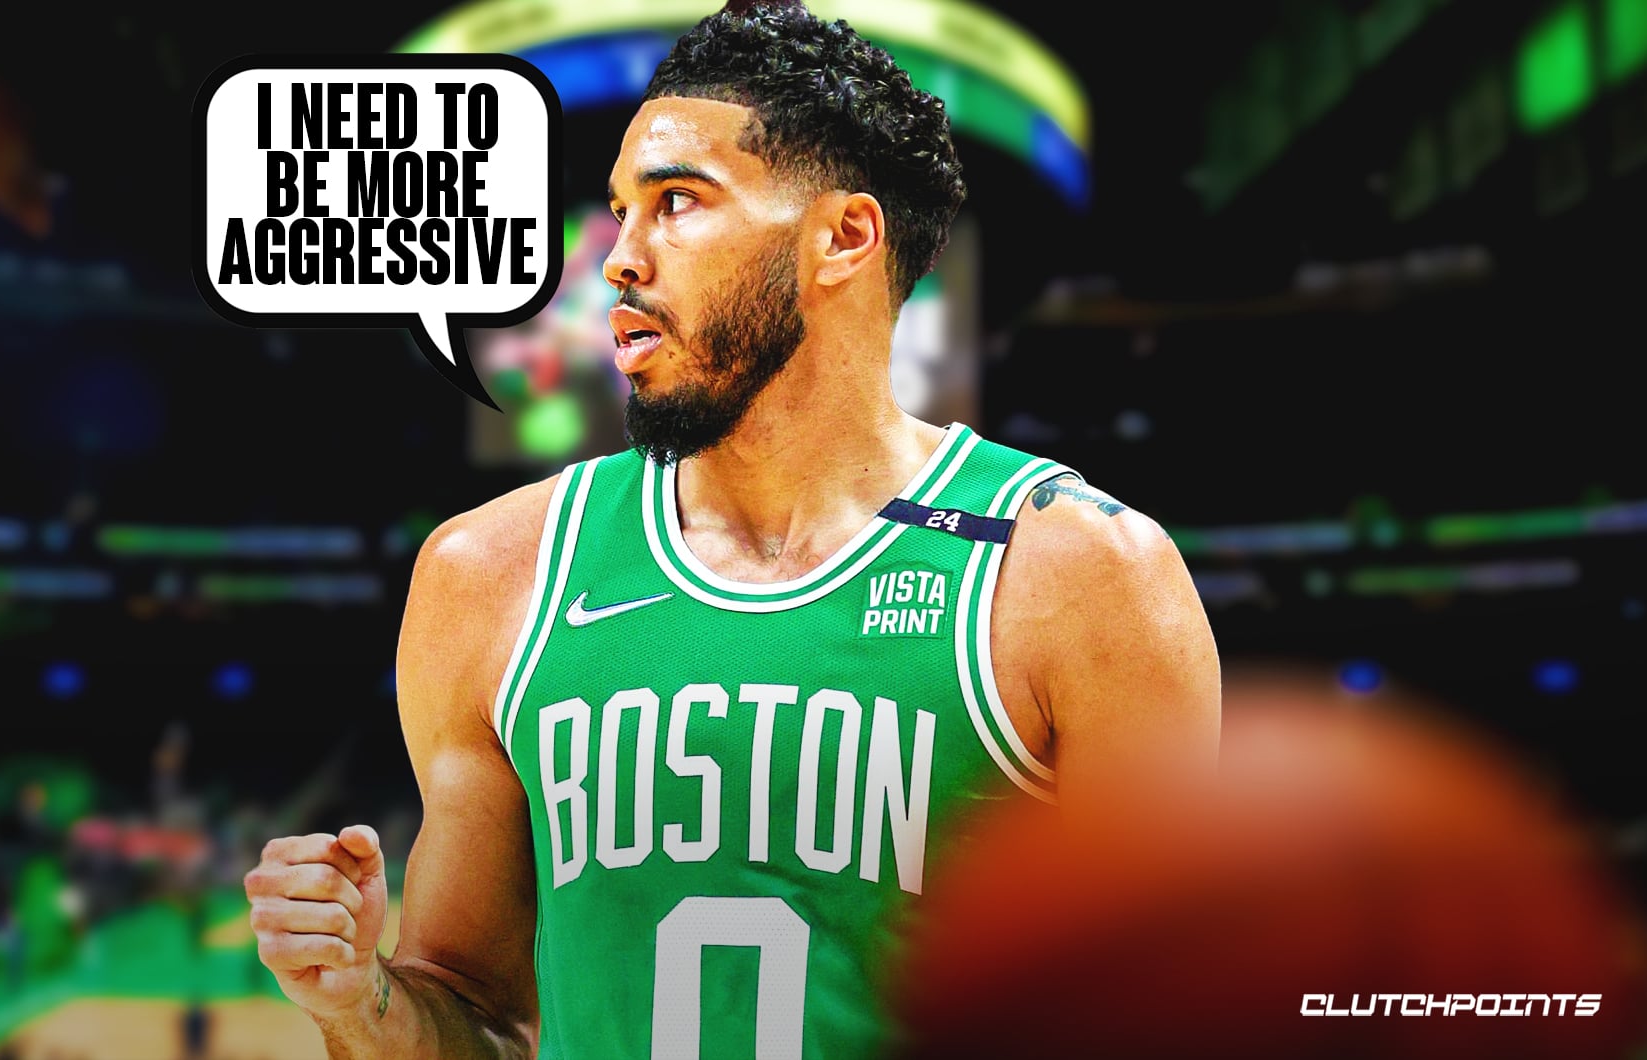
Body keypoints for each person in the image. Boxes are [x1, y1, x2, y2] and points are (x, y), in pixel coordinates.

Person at [243, 3, 1221, 1057]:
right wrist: (360, 1002)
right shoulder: (490, 573)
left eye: (676, 202)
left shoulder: (1080, 578)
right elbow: (477, 1018)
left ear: (844, 237)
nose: (617, 260)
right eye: (619, 210)